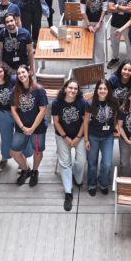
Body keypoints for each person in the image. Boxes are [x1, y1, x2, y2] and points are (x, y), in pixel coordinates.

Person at [52, 80, 88, 211]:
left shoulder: (82, 102)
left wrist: (78, 137)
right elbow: (56, 122)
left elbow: (85, 122)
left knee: (81, 161)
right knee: (64, 163)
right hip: (62, 135)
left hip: (79, 135)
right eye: (70, 88)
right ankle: (68, 192)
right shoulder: (57, 102)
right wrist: (65, 137)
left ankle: (77, 178)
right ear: (65, 88)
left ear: (78, 91)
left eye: (75, 89)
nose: (72, 91)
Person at [10, 66, 48, 187]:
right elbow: (13, 110)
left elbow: (43, 110)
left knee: (37, 151)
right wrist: (22, 127)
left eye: (23, 72)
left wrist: (32, 128)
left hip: (37, 129)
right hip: (21, 128)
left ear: (29, 73)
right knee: (14, 151)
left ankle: (35, 171)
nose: (21, 75)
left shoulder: (39, 90)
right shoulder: (15, 90)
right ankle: (26, 169)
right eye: (18, 73)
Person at [84, 81, 119, 196]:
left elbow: (115, 116)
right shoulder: (90, 102)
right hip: (93, 136)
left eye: (105, 88)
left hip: (107, 137)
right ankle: (92, 184)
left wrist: (114, 127)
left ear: (108, 90)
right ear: (96, 90)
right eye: (100, 88)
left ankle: (103, 183)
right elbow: (85, 122)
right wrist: (86, 140)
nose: (102, 91)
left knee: (107, 163)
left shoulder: (114, 102)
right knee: (92, 162)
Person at [80, 0, 108, 66]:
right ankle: (89, 65)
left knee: (99, 44)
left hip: (99, 23)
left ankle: (100, 66)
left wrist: (99, 23)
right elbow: (83, 12)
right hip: (87, 23)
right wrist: (89, 25)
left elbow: (104, 9)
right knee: (87, 44)